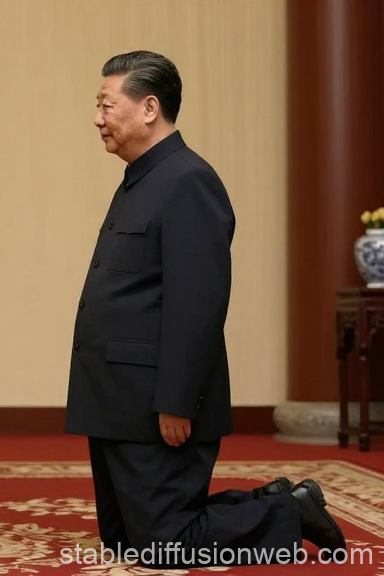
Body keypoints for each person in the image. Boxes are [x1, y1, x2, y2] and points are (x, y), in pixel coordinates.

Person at [63, 50, 346, 568]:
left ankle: (289, 514)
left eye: (107, 104)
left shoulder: (187, 180)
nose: (97, 118)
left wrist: (178, 399)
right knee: (126, 539)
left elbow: (199, 303)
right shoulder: (143, 178)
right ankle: (274, 502)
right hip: (118, 398)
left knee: (160, 546)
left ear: (149, 108)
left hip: (155, 403)